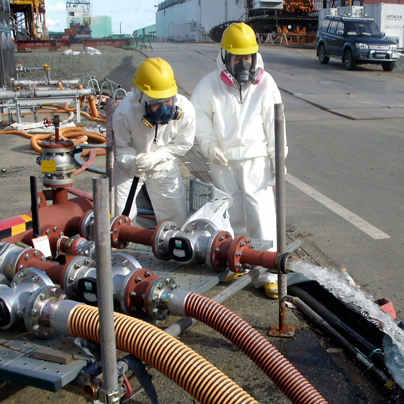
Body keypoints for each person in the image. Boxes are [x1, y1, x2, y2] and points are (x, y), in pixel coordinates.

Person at [191, 22, 286, 298]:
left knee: (260, 215)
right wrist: (209, 146)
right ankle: (236, 262)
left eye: (247, 58)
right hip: (223, 160)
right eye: (237, 58)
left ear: (254, 57)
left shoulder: (265, 85)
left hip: (256, 160)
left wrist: (278, 159)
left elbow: (275, 124)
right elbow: (200, 118)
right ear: (225, 57)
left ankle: (267, 272)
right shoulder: (210, 85)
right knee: (229, 212)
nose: (243, 65)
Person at [113, 57, 196, 226]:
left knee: (176, 217)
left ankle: (172, 249)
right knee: (120, 217)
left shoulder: (185, 110)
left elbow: (183, 144)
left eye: (167, 101)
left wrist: (158, 157)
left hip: (163, 166)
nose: (165, 109)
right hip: (130, 169)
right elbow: (121, 148)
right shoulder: (124, 114)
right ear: (141, 98)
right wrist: (132, 162)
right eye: (156, 103)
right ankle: (124, 250)